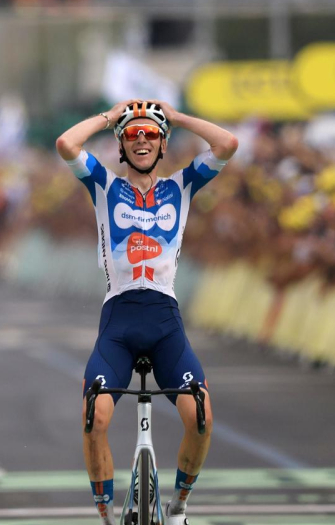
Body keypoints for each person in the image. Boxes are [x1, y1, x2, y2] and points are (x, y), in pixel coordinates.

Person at [56, 100, 238, 524]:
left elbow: (227, 143)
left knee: (202, 416)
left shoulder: (182, 186)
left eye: (151, 134)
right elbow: (67, 144)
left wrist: (175, 117)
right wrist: (110, 116)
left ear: (162, 144)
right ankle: (104, 515)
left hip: (164, 319)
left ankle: (179, 507)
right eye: (133, 134)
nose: (142, 139)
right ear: (121, 144)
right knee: (94, 416)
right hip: (118, 321)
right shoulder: (103, 185)